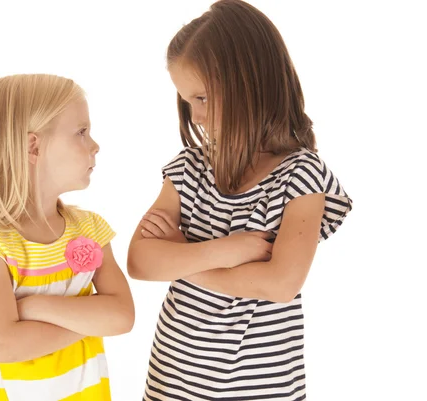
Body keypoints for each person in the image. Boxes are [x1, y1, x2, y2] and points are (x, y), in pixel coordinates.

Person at [127, 1, 353, 399]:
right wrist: (229, 250)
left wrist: (184, 257)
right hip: (173, 381)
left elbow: (280, 284)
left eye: (202, 98)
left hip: (262, 388)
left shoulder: (302, 176)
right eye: (187, 101)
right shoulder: (188, 169)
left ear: (252, 84)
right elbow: (141, 262)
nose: (195, 116)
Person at [0, 74, 134, 401]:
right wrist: (89, 320)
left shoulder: (91, 229)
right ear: (33, 146)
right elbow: (4, 344)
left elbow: (122, 317)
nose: (95, 144)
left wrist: (33, 307)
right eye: (81, 132)